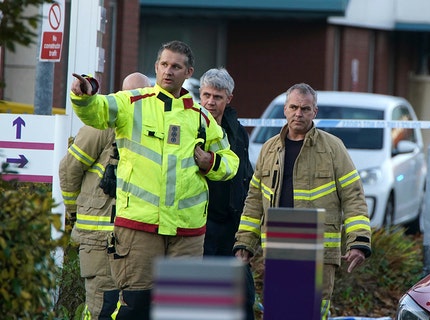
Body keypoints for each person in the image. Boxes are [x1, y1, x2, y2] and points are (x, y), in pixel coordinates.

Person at [69, 40, 240, 320]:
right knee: (136, 307)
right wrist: (84, 94)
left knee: (180, 311)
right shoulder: (132, 103)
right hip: (139, 227)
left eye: (176, 66)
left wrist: (212, 163)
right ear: (156, 67)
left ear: (189, 72)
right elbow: (97, 110)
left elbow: (231, 162)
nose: (168, 71)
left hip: (187, 233)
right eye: (163, 64)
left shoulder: (201, 117)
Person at [233, 83, 372, 319]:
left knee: (312, 313)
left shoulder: (332, 148)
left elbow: (354, 196)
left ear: (314, 112)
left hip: (318, 251)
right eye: (294, 107)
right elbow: (254, 201)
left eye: (305, 109)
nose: (299, 113)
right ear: (285, 109)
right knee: (279, 312)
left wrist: (358, 241)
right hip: (278, 249)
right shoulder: (269, 149)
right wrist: (244, 244)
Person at [59, 72, 151, 320]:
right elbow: (69, 168)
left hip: (130, 237)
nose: (139, 101)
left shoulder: (149, 129)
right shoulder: (102, 125)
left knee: (127, 307)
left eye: (143, 96)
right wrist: (74, 211)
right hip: (99, 237)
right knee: (103, 306)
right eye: (132, 96)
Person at [199, 67, 256, 320]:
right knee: (204, 295)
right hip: (200, 224)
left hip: (232, 225)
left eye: (217, 97)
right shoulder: (192, 125)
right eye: (206, 95)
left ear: (229, 99)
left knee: (243, 295)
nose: (210, 102)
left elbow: (246, 173)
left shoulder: (237, 131)